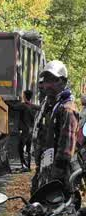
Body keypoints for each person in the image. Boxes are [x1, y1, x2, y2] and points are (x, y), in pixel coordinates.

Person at [35, 60, 78, 191]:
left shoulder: (67, 109)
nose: (47, 85)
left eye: (53, 80)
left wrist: (55, 181)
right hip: (46, 171)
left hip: (60, 178)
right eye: (46, 80)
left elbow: (66, 150)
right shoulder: (50, 106)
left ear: (63, 82)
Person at [9, 90, 38, 171]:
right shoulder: (33, 106)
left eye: (23, 95)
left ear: (25, 96)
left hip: (25, 130)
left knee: (20, 148)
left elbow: (13, 107)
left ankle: (24, 166)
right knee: (28, 149)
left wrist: (3, 101)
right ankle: (27, 166)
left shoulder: (23, 105)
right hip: (31, 130)